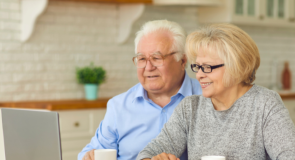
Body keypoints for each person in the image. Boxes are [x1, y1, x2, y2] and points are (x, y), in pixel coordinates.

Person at [136, 24, 295, 160]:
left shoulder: (264, 103)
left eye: (208, 67)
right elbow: (149, 152)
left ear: (237, 67)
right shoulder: (190, 108)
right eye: (198, 66)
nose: (200, 75)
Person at [78, 20, 202, 160]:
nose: (148, 67)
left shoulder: (208, 99)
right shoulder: (119, 106)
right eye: (142, 59)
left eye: (156, 58)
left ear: (183, 61)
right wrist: (87, 157)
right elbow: (92, 151)